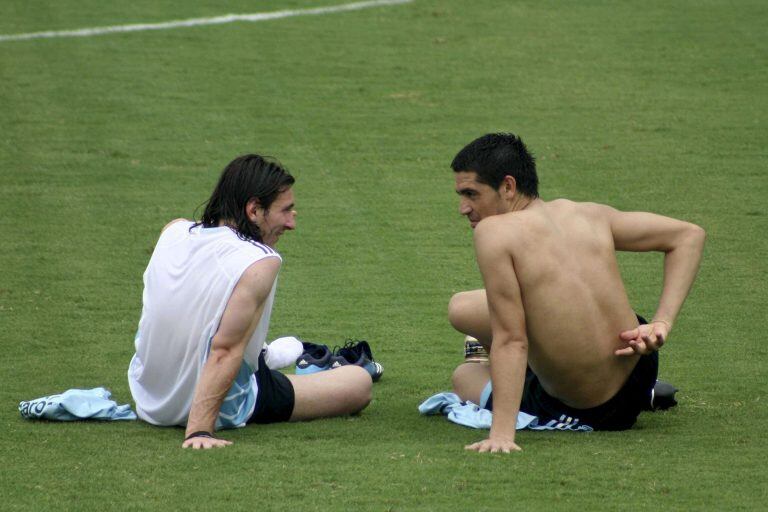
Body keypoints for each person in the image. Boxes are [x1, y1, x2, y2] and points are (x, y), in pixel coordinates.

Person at [447, 133, 705, 453]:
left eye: (472, 194)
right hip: (639, 367)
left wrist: (502, 434)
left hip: (590, 409)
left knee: (465, 375)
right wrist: (662, 322)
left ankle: (490, 358)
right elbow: (689, 236)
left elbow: (512, 339)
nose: (463, 208)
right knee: (463, 307)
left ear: (508, 186)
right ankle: (643, 393)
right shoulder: (585, 213)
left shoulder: (493, 232)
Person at [127, 154, 372, 449]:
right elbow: (225, 350)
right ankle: (265, 360)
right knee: (359, 383)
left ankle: (265, 354)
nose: (291, 223)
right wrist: (199, 431)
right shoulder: (260, 261)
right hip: (217, 406)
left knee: (237, 340)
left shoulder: (173, 230)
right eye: (286, 210)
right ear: (254, 210)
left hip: (147, 400)